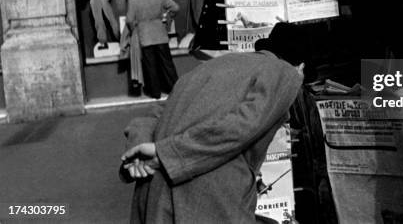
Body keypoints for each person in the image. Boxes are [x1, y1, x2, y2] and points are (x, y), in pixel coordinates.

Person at [120, 22, 307, 223]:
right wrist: (168, 155)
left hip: (153, 195)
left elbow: (153, 116)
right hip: (205, 197)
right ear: (301, 66)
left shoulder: (213, 66)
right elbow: (240, 127)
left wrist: (139, 153)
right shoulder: (286, 73)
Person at [126, 0, 180, 99]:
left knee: (151, 65)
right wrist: (167, 18)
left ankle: (155, 93)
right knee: (167, 64)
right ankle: (176, 90)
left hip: (145, 36)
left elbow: (129, 20)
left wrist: (136, 28)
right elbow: (176, 8)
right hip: (160, 34)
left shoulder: (133, 0)